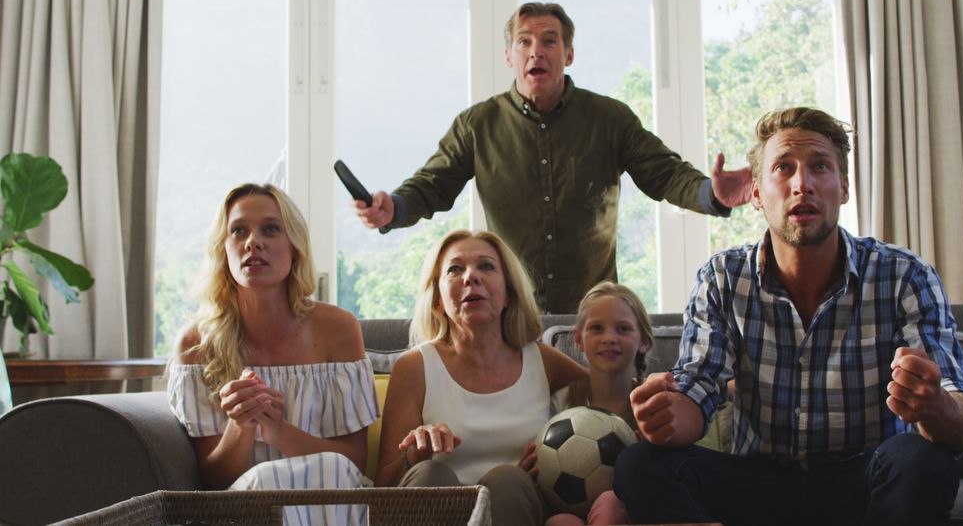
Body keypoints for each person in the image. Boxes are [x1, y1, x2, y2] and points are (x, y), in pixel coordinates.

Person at [614, 107, 963, 525]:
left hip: (862, 481)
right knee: (640, 464)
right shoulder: (722, 278)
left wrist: (935, 405)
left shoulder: (904, 275)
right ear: (755, 193)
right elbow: (698, 392)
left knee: (924, 460)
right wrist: (664, 414)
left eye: (820, 167)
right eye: (783, 168)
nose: (801, 184)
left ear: (843, 187)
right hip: (758, 484)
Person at [355, 2, 753, 314]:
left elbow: (665, 175)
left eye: (549, 41)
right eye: (524, 42)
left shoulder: (609, 118)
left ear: (569, 53)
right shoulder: (478, 124)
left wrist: (711, 193)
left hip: (592, 311)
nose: (536, 52)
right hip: (509, 312)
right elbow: (432, 185)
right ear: (509, 56)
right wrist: (394, 209)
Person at [168, 183, 379, 525]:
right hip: (244, 509)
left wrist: (279, 432)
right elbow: (215, 483)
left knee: (332, 467)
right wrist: (241, 426)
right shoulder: (196, 344)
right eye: (238, 231)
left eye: (270, 229)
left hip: (331, 497)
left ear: (295, 248)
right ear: (223, 251)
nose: (253, 242)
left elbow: (353, 462)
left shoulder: (338, 328)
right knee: (265, 480)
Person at [374, 229, 586, 526]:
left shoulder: (542, 360)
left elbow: (610, 397)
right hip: (434, 509)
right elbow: (382, 485)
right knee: (431, 473)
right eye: (454, 269)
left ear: (509, 293)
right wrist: (416, 453)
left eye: (486, 266)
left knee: (509, 478)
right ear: (437, 300)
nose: (470, 277)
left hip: (514, 506)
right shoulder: (415, 367)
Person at [543, 281, 654, 526]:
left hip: (634, 510)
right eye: (596, 328)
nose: (609, 338)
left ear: (644, 341)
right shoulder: (560, 402)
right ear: (578, 339)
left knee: (609, 505)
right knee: (560, 522)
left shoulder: (654, 403)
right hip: (567, 510)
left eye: (623, 329)